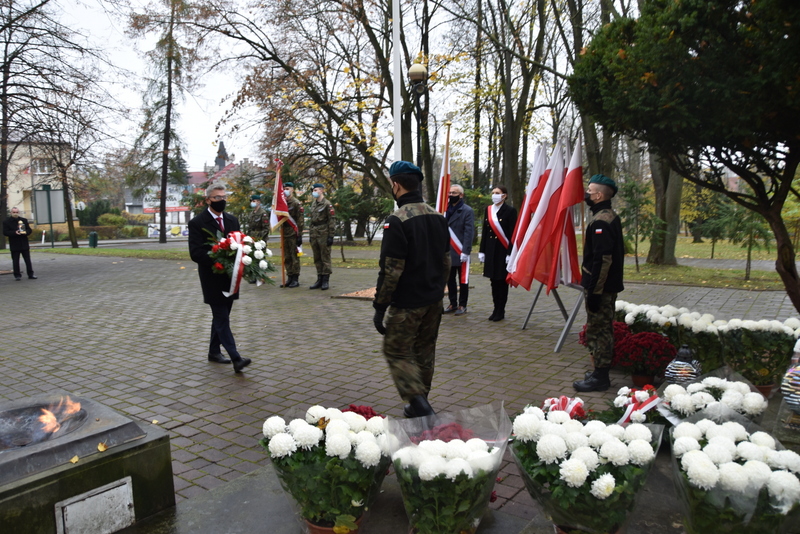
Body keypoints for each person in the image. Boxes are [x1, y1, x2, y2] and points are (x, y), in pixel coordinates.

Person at [373, 161, 450, 418]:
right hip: (433, 299)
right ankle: (420, 403)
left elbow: (391, 269)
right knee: (425, 350)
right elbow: (446, 261)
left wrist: (380, 305)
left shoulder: (397, 220)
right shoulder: (438, 216)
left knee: (395, 349)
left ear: (396, 185)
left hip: (408, 302)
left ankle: (420, 405)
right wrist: (439, 289)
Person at [188, 184, 251, 373]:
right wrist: (219, 259)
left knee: (222, 315)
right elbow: (196, 253)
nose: (221, 200)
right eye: (217, 198)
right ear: (208, 200)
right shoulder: (197, 222)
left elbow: (239, 244)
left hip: (230, 278)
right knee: (222, 317)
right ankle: (236, 358)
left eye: (224, 197)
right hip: (212, 277)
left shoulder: (232, 220)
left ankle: (214, 352)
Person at [573, 174, 624, 392]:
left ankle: (601, 378)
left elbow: (603, 259)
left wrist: (595, 291)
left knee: (599, 330)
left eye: (590, 190)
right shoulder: (606, 216)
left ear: (599, 195)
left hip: (601, 288)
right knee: (600, 328)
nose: (587, 193)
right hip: (603, 286)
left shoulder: (602, 220)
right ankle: (598, 372)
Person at [479, 186, 517, 321]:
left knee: (501, 281)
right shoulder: (488, 210)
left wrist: (510, 253)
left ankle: (500, 310)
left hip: (502, 250)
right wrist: (482, 250)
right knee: (493, 281)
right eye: (493, 193)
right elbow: (485, 231)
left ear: (504, 196)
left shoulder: (510, 211)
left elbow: (513, 234)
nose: (494, 195)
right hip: (490, 250)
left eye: (498, 193)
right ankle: (495, 308)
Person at [443, 184, 474, 316]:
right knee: (450, 279)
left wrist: (466, 251)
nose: (451, 195)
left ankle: (462, 304)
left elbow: (469, 232)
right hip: (448, 250)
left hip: (460, 250)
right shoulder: (445, 210)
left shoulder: (467, 210)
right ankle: (452, 303)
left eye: (454, 193)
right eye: (449, 193)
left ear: (461, 195)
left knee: (463, 280)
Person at [308, 183, 335, 290]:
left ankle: (325, 280)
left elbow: (331, 220)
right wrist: (310, 234)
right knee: (317, 257)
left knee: (325, 257)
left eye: (316, 190)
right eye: (313, 190)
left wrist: (331, 236)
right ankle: (319, 278)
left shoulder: (327, 204)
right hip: (315, 233)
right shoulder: (313, 204)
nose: (314, 192)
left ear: (322, 191)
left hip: (324, 233)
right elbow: (312, 221)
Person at [280, 182, 305, 288]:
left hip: (293, 232)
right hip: (284, 233)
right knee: (287, 256)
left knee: (294, 256)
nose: (285, 190)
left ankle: (295, 278)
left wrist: (299, 235)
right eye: (284, 188)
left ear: (292, 190)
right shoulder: (282, 203)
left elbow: (300, 220)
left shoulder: (296, 203)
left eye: (287, 188)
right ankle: (289, 276)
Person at [3, 207, 36, 281]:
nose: (15, 214)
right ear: (11, 213)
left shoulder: (23, 220)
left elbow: (29, 230)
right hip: (14, 244)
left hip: (24, 243)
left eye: (16, 212)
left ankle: (31, 274)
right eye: (14, 212)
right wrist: (15, 233)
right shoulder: (6, 222)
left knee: (27, 260)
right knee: (15, 261)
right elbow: (5, 232)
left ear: (19, 212)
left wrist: (25, 232)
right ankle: (17, 275)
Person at [244, 194, 269, 283]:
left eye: (254, 201)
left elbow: (266, 228)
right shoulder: (251, 214)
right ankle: (254, 275)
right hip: (252, 238)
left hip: (260, 239)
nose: (252, 203)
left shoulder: (263, 213)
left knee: (261, 257)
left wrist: (259, 238)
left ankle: (262, 276)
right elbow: (250, 227)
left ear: (259, 202)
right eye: (251, 201)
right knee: (253, 257)